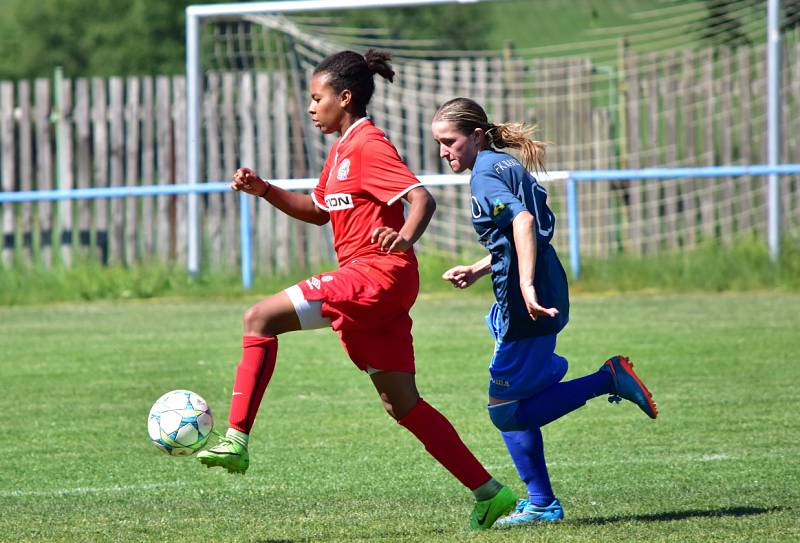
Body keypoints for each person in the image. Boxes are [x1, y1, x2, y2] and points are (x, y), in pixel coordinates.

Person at [197, 51, 516, 530]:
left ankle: (236, 439)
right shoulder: (341, 149)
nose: (311, 107)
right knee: (401, 403)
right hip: (374, 284)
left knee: (258, 318)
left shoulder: (368, 145)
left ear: (344, 98)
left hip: (377, 274)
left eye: (316, 98)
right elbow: (319, 210)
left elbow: (421, 198)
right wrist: (265, 189)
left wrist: (403, 237)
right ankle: (491, 493)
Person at [431, 97, 658, 526]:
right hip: (537, 286)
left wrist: (525, 285)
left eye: (450, 141)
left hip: (528, 298)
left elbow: (522, 223)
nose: (444, 151)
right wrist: (483, 269)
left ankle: (607, 379)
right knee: (514, 402)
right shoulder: (503, 163)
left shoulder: (483, 176)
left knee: (507, 410)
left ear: (476, 136)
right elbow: (516, 235)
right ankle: (540, 500)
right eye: (439, 143)